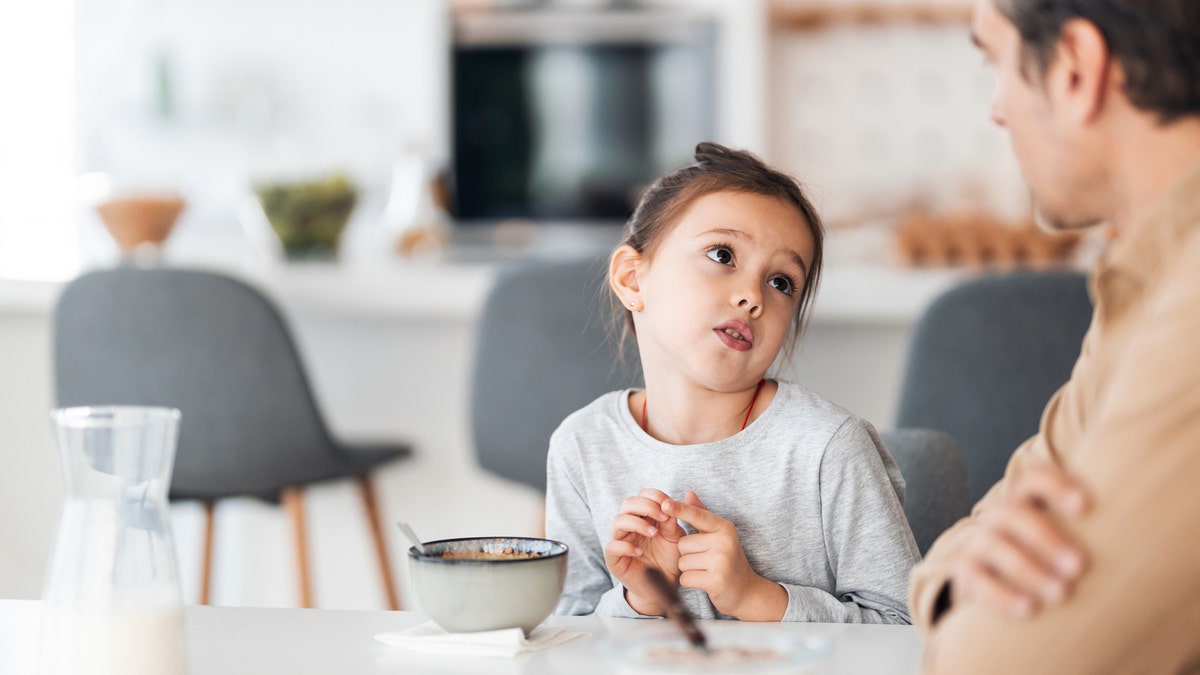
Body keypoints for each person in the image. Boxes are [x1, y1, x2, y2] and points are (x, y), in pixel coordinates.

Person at [911, 0, 1200, 672]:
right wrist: (955, 577)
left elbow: (1001, 660)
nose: (998, 108)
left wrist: (956, 602)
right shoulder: (1146, 269)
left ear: (1074, 68)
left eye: (999, 62)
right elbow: (985, 525)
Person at [545, 142, 920, 623]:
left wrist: (756, 597)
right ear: (633, 280)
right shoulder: (582, 445)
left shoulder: (830, 448)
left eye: (781, 282)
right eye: (722, 254)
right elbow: (566, 634)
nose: (751, 296)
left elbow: (906, 629)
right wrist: (644, 600)